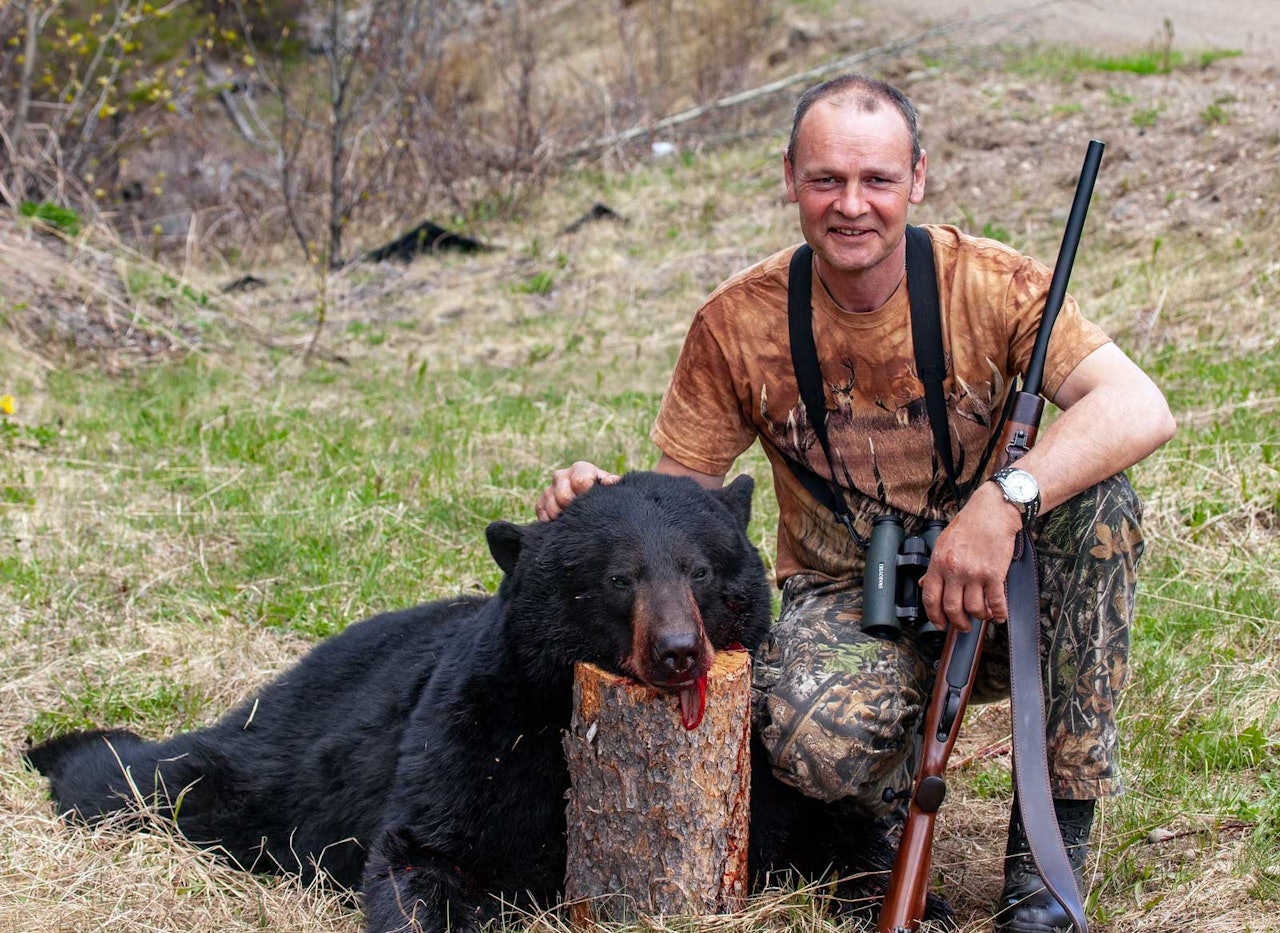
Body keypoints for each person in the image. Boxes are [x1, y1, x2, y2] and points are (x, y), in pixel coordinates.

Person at [536, 74, 1175, 932]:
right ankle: (877, 811)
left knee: (1101, 508)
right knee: (807, 740)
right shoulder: (736, 322)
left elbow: (1140, 406)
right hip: (848, 601)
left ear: (917, 178)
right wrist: (596, 499)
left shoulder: (991, 285)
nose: (852, 205)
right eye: (826, 179)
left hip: (999, 596)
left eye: (876, 180)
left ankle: (1046, 865)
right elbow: (679, 505)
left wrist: (1002, 502)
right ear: (789, 178)